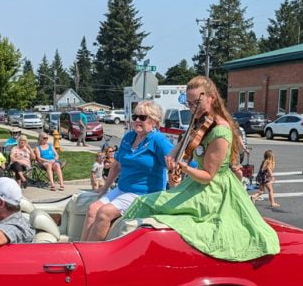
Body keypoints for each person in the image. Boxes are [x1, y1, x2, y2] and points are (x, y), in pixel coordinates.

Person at [124, 76, 280, 262]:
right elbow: (183, 143)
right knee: (143, 203)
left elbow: (207, 176)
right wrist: (171, 157)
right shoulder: (200, 121)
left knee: (146, 204)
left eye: (196, 103)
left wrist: (183, 167)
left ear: (211, 97)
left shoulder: (220, 131)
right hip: (195, 184)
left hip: (212, 190)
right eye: (189, 104)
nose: (192, 109)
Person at [81, 101, 172, 242]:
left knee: (105, 213)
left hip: (143, 194)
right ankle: (81, 248)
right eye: (135, 116)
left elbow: (177, 163)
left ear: (154, 121)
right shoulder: (129, 137)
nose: (136, 120)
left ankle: (91, 256)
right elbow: (116, 165)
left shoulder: (159, 140)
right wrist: (104, 188)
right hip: (123, 188)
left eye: (142, 117)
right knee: (93, 209)